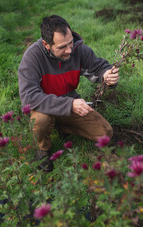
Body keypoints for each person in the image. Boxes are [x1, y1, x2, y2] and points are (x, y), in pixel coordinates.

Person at [18, 15, 119, 172]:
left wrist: (107, 75)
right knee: (41, 120)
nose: (69, 50)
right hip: (43, 108)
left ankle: (62, 125)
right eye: (62, 47)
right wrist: (69, 105)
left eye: (70, 42)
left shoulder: (78, 49)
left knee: (105, 133)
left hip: (70, 105)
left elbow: (98, 67)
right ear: (46, 44)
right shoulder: (32, 57)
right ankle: (43, 149)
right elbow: (29, 97)